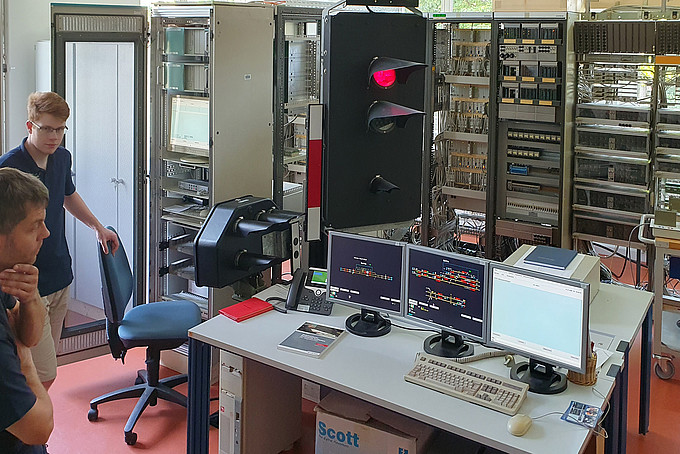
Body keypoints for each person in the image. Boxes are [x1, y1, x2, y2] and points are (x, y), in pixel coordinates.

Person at [0, 92, 119, 390]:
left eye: (60, 129)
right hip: (27, 283)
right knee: (40, 372)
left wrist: (96, 227)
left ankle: (35, 431)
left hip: (59, 274)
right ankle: (31, 430)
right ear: (30, 126)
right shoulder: (9, 170)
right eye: (47, 129)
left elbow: (68, 195)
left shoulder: (62, 157)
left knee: (48, 361)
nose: (54, 136)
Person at [0, 167, 54, 453]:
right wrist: (25, 361)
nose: (45, 233)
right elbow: (39, 427)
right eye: (35, 225)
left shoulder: (5, 275)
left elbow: (29, 335)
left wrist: (31, 298)